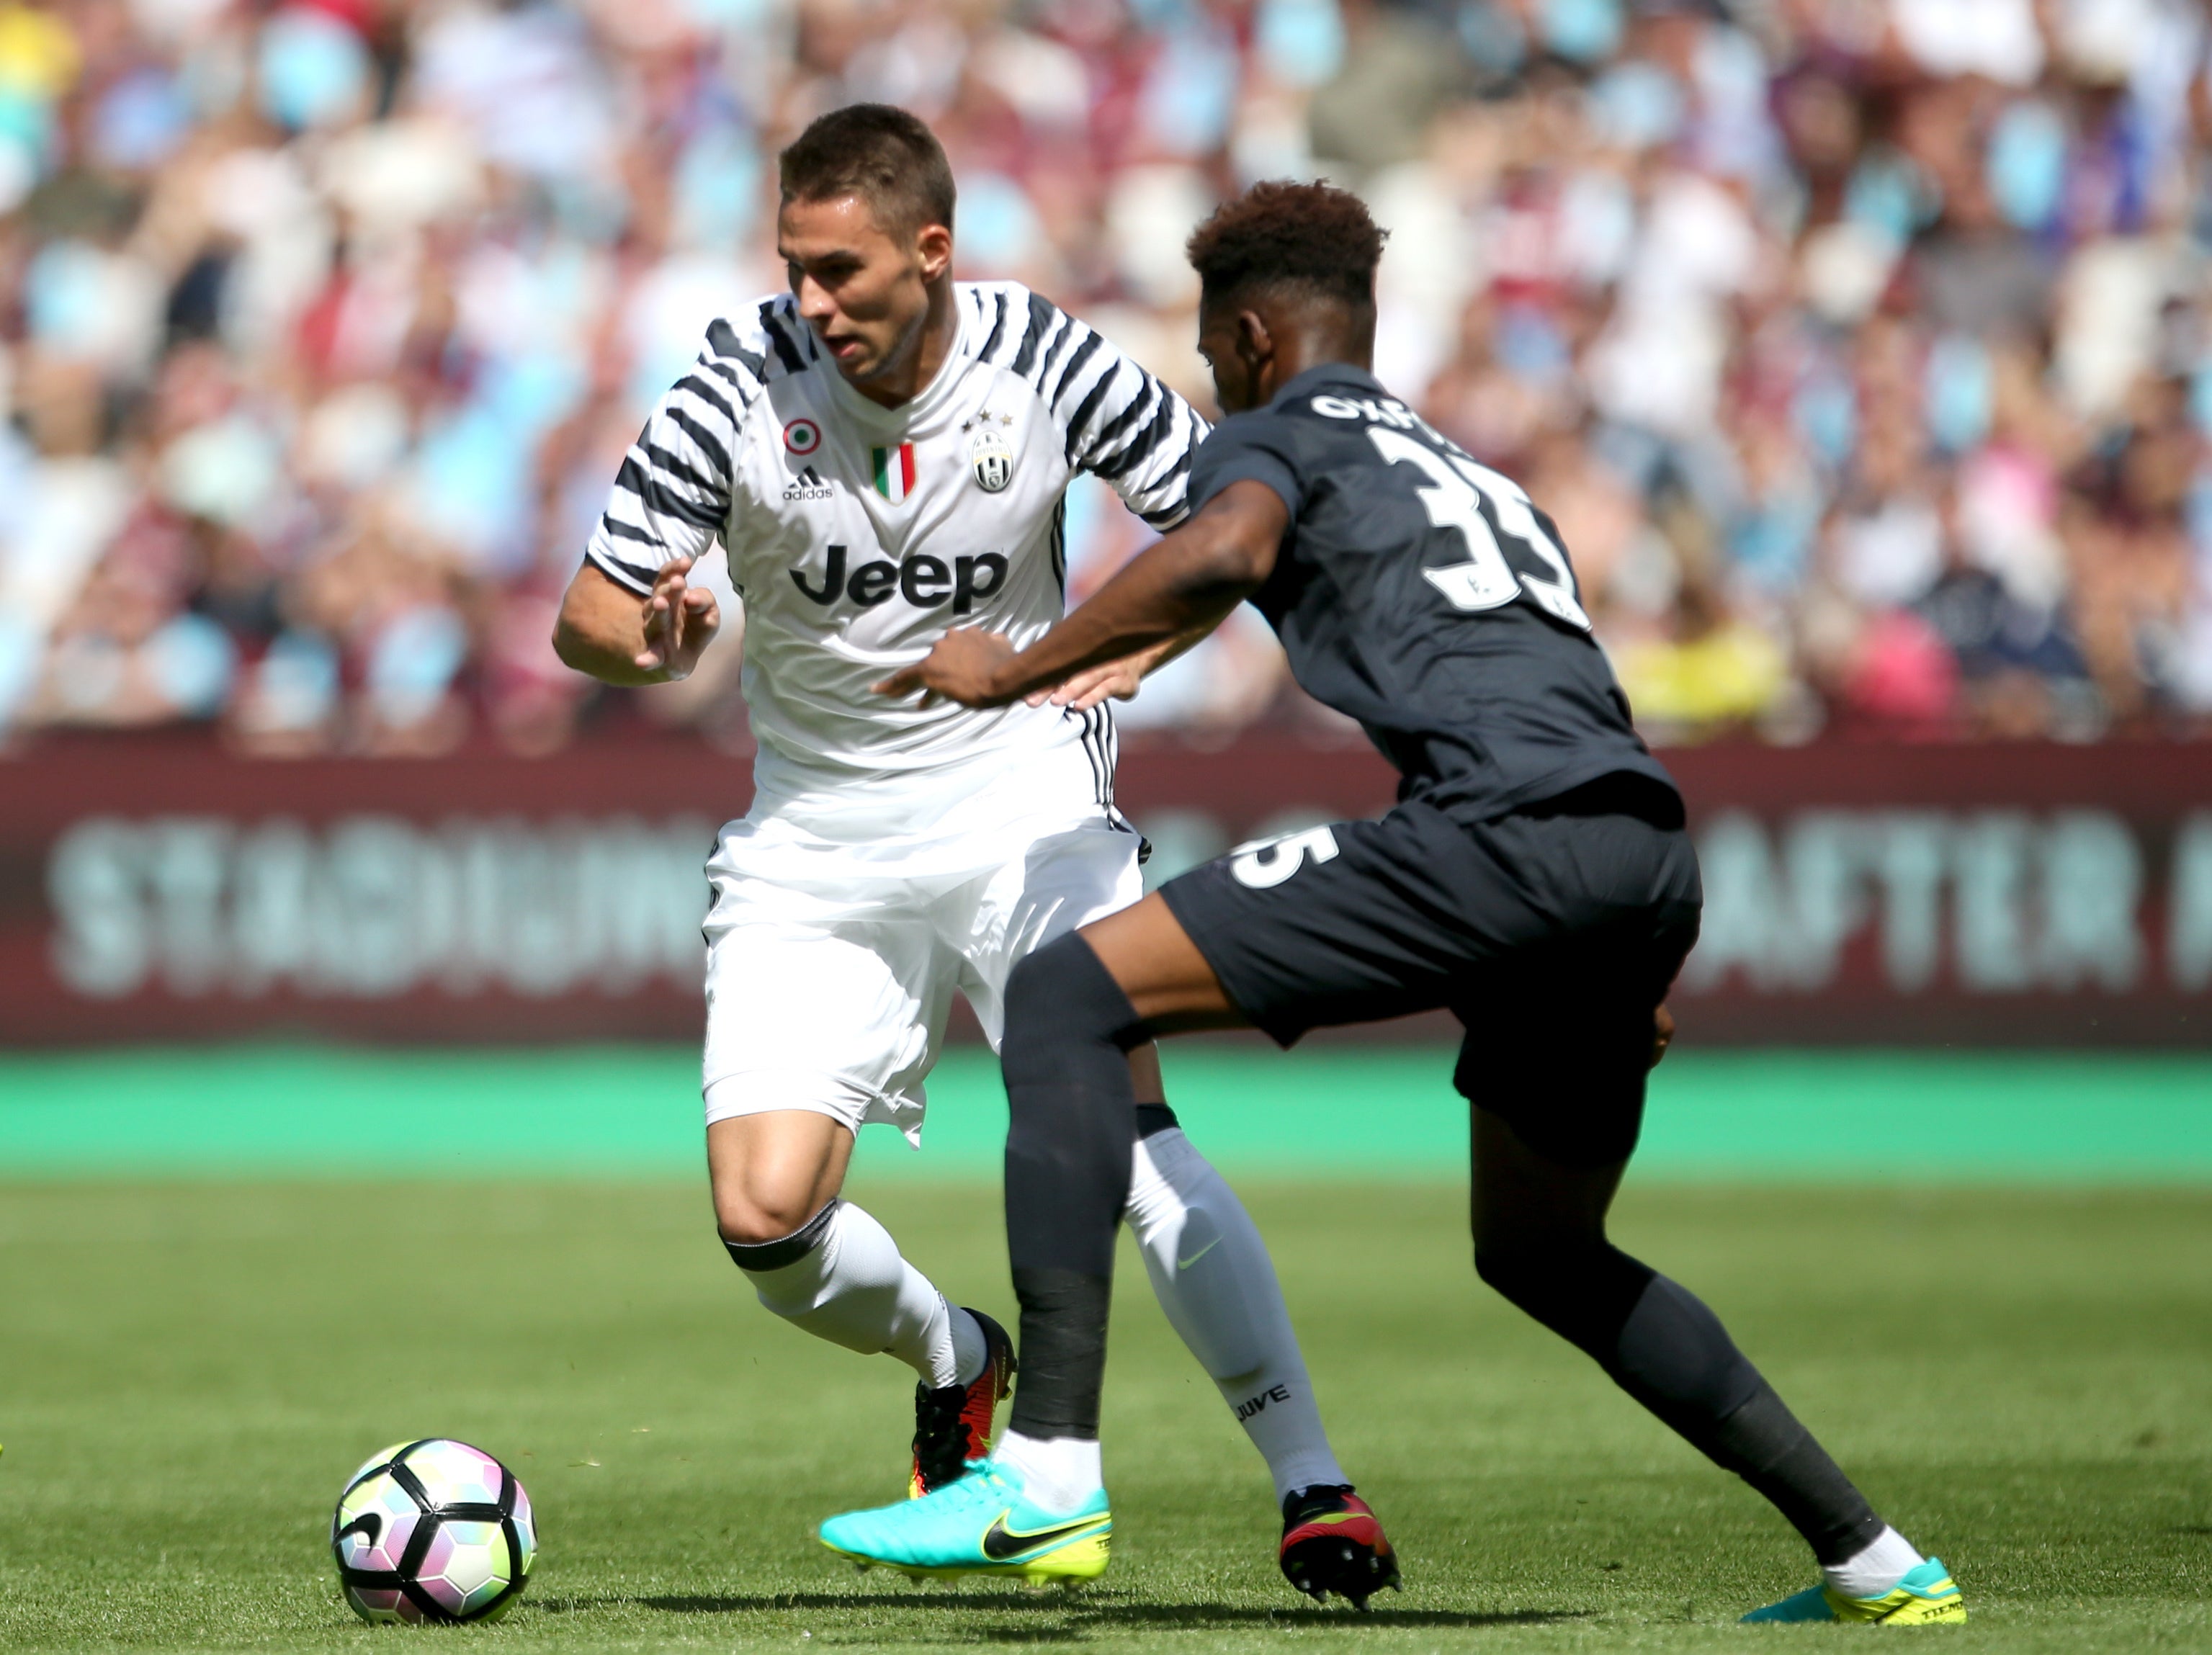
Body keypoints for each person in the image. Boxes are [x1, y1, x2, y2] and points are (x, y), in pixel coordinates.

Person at [822, 179, 1967, 1627]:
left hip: (1491, 837)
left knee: (1063, 994)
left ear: (1249, 336)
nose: (1209, 379)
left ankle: (1047, 1466)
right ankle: (1875, 1561)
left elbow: (1229, 546)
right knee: (1542, 1251)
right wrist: (1627, 943)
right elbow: (1551, 683)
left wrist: (1024, 662)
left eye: (1208, 349)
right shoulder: (1475, 478)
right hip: (1634, 851)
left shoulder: (1278, 434)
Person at [550, 109, 1393, 1602]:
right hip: (815, 831)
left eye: (842, 272)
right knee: (762, 1219)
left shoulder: (1047, 359)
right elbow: (589, 614)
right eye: (795, 270)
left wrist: (1144, 636)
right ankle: (959, 1357)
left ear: (931, 253)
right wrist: (651, 637)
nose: (813, 304)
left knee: (1130, 1146)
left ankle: (1314, 1482)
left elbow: (1228, 508)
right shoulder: (734, 382)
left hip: (1021, 799)